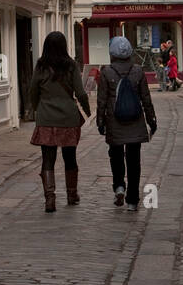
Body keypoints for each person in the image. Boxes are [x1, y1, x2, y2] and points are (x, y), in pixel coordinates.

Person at [29, 30, 91, 212]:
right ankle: (72, 194)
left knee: (48, 159)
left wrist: (37, 108)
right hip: (68, 118)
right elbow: (80, 92)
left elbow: (33, 90)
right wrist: (87, 111)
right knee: (69, 157)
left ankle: (50, 199)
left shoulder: (40, 66)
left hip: (46, 117)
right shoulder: (71, 65)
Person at [97, 35, 157, 211]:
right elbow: (146, 98)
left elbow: (102, 100)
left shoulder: (106, 72)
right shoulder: (138, 71)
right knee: (134, 161)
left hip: (114, 122)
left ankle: (119, 186)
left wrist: (100, 122)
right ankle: (132, 200)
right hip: (135, 121)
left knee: (115, 156)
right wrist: (151, 120)